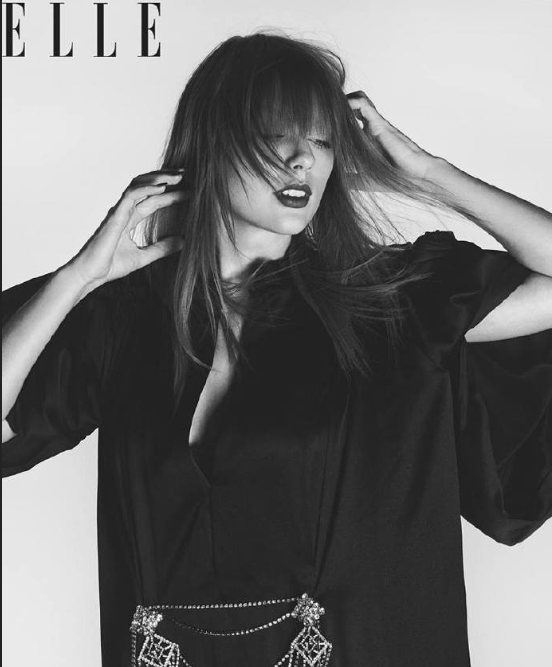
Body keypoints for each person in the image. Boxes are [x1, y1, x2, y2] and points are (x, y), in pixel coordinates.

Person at [2, 29, 551, 667]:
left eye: (322, 140)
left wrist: (430, 174)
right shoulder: (123, 314)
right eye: (274, 135)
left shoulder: (387, 299)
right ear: (212, 145)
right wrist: (78, 278)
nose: (302, 160)